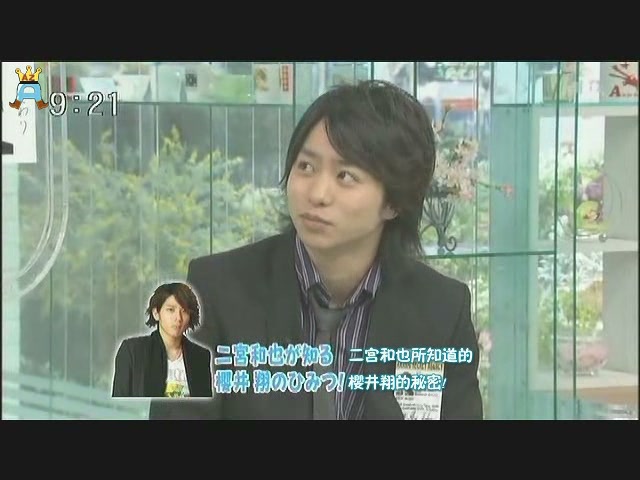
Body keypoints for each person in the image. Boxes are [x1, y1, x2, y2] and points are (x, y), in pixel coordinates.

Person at [149, 79, 483, 419]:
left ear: (394, 202)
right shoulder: (213, 291)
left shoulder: (441, 310)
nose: (318, 193)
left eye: (346, 176)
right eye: (306, 167)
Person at [112, 282, 213, 398]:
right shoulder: (132, 351)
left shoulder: (200, 356)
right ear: (156, 313)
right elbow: (119, 401)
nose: (178, 318)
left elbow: (206, 405)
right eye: (171, 310)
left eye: (184, 311)